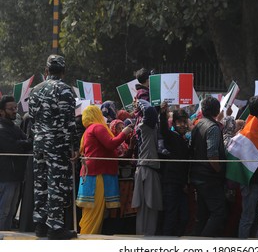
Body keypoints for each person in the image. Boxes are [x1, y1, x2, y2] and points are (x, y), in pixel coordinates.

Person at [28, 54, 79, 240]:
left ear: (46, 70)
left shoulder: (35, 90)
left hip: (39, 144)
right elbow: (69, 122)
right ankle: (55, 228)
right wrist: (73, 145)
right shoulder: (65, 90)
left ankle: (40, 226)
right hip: (57, 145)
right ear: (64, 72)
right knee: (56, 185)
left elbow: (32, 119)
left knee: (40, 185)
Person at [76, 105, 132, 234]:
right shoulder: (97, 127)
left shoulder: (88, 130)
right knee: (95, 211)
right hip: (97, 175)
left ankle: (88, 237)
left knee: (91, 213)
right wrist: (125, 133)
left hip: (91, 173)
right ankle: (88, 240)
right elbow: (111, 144)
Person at [190, 96, 227, 237]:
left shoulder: (198, 124)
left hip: (198, 175)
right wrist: (218, 170)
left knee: (203, 214)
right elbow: (212, 155)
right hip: (209, 177)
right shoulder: (213, 128)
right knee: (219, 212)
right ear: (217, 111)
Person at [237, 95, 258, 239]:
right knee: (248, 217)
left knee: (255, 216)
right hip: (250, 181)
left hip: (256, 179)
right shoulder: (252, 129)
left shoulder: (256, 126)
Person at [0, 96, 32, 230]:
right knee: (4, 211)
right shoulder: (1, 129)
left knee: (11, 211)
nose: (14, 111)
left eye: (15, 108)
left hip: (17, 176)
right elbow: (14, 146)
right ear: (1, 111)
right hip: (6, 176)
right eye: (11, 109)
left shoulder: (14, 127)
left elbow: (26, 142)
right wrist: (24, 143)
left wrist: (24, 143)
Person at [131, 99, 163, 235]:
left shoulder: (149, 127)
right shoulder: (146, 127)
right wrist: (140, 101)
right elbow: (150, 111)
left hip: (146, 168)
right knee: (148, 208)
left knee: (149, 209)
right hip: (147, 170)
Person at [159, 102, 190, 236]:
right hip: (171, 183)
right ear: (174, 123)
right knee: (171, 215)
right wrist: (163, 113)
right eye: (179, 122)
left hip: (181, 185)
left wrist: (185, 183)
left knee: (183, 216)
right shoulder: (171, 137)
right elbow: (163, 130)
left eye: (185, 122)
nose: (183, 125)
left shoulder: (185, 140)